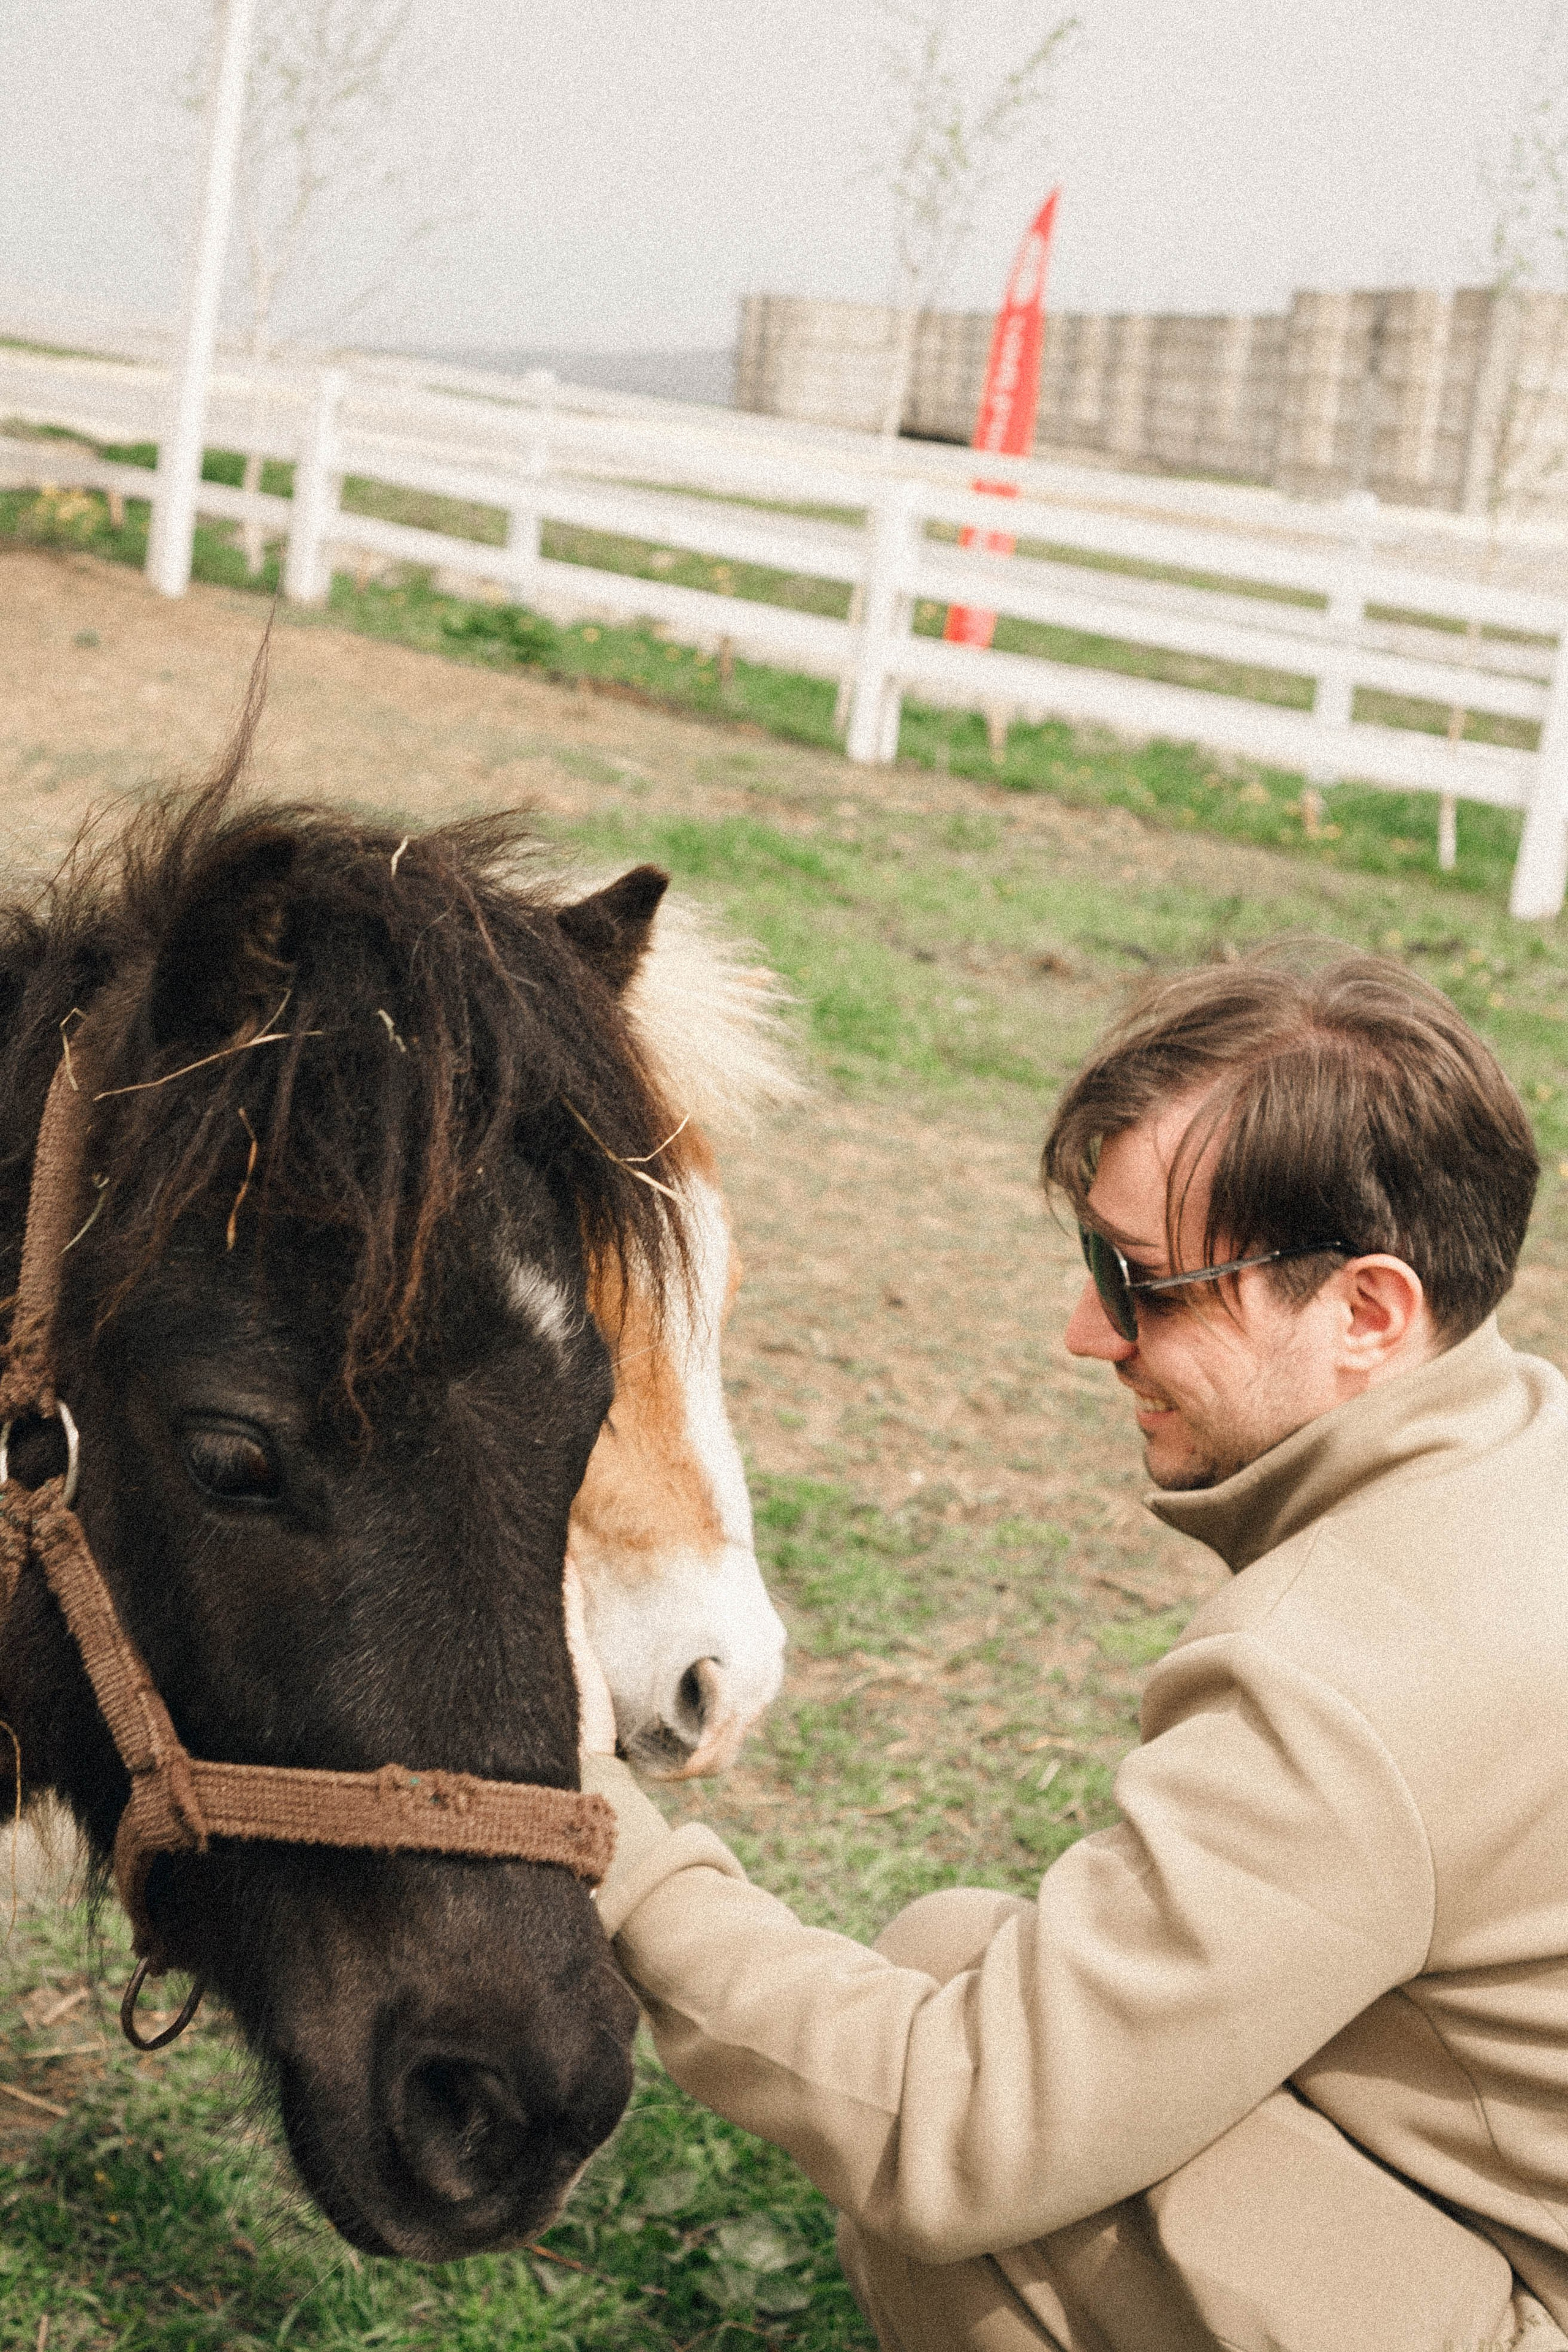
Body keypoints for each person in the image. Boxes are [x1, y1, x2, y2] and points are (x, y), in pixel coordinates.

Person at [564, 951, 1568, 2352]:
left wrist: (591, 1822)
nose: (1084, 1331)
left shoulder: (1352, 1677)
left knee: (985, 2179)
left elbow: (954, 2133)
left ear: (1364, 1314)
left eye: (1141, 1281)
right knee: (949, 1959)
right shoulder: (1520, 1454)